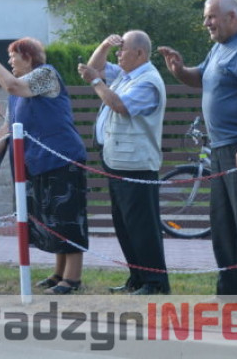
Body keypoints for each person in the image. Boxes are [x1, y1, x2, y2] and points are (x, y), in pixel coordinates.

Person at [0, 34, 87, 295]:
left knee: (67, 218)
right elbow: (7, 128)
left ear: (27, 57)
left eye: (12, 57)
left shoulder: (46, 74)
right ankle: (59, 273)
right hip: (36, 162)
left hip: (62, 158)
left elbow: (14, 86)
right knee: (51, 219)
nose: (10, 62)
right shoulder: (17, 91)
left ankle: (73, 278)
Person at [159, 0, 237, 295]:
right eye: (205, 17)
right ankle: (232, 293)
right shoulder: (219, 48)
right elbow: (202, 77)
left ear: (232, 16)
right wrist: (180, 71)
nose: (206, 23)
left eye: (211, 16)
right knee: (223, 225)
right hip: (222, 150)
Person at [79, 31, 169, 295]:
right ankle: (138, 278)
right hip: (119, 160)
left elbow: (118, 104)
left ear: (139, 53)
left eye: (123, 49)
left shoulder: (147, 81)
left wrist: (96, 81)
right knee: (125, 224)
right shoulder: (126, 75)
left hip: (136, 164)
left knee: (142, 226)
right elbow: (94, 68)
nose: (118, 54)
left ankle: (155, 283)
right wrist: (104, 45)